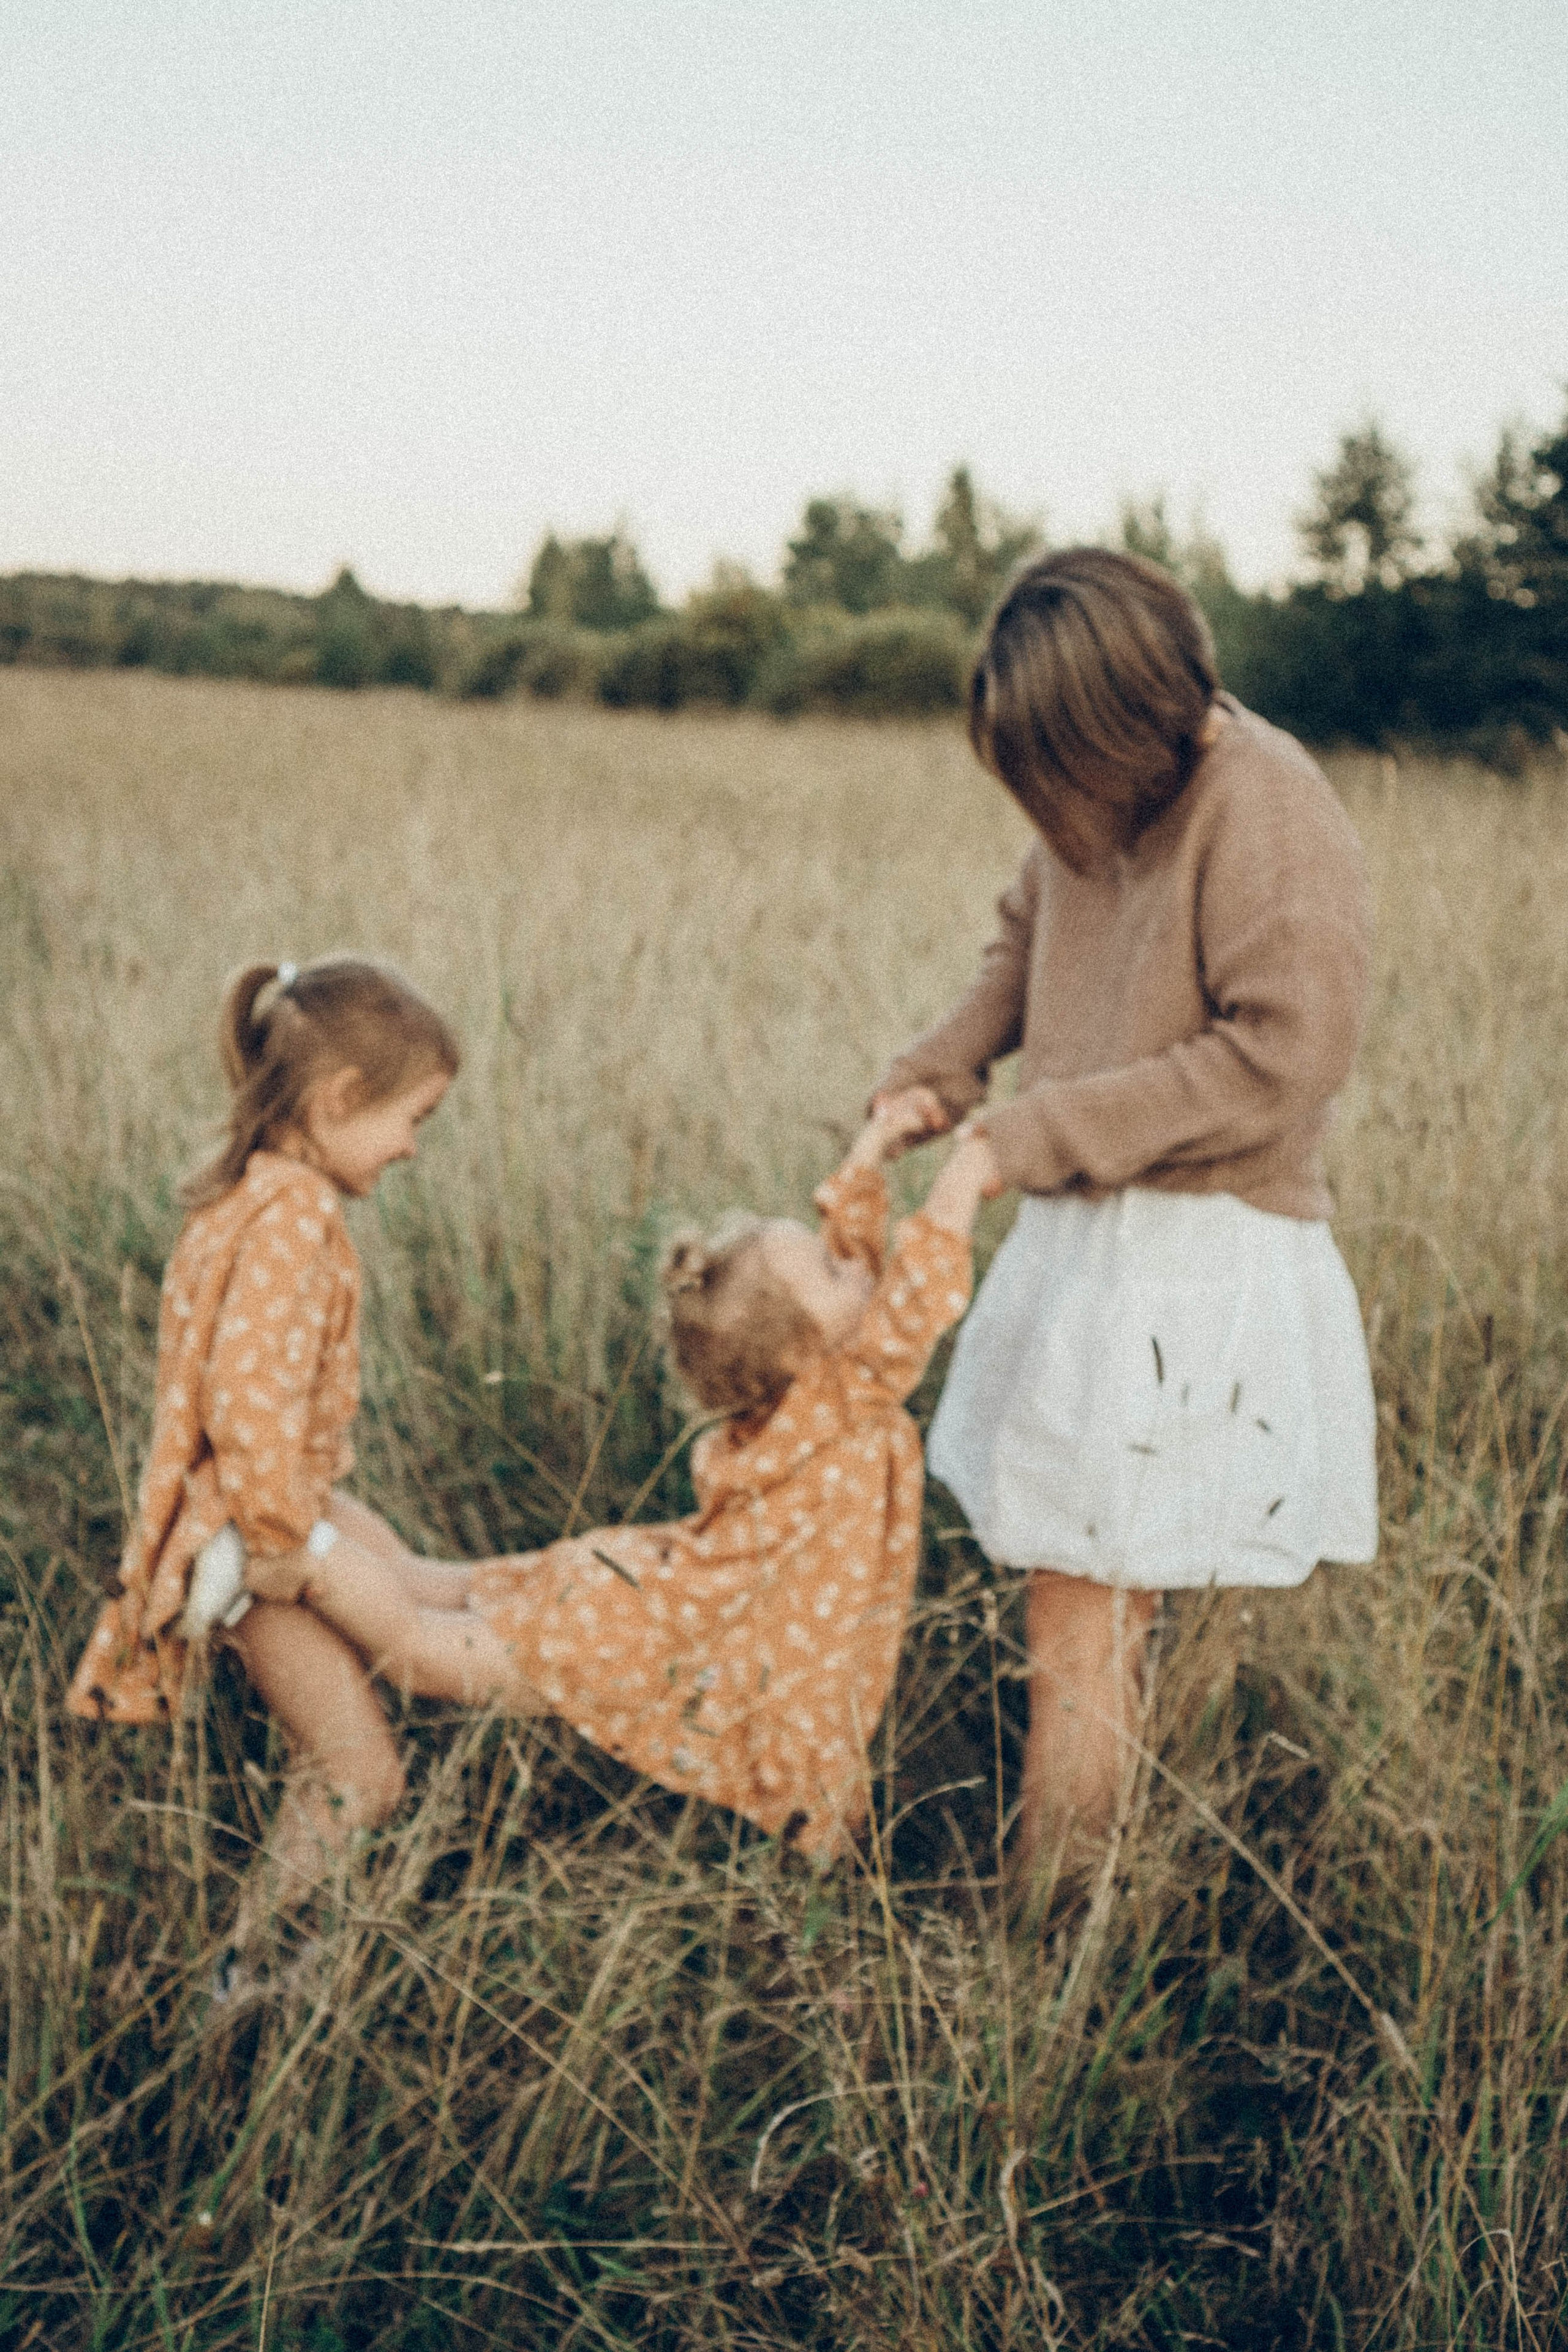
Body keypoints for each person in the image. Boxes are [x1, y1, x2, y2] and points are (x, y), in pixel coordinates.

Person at [873, 546, 1378, 1883]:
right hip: (1089, 1236)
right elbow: (1022, 948)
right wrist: (933, 1077)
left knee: (1077, 1610)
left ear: (1128, 726)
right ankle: (1086, 1897)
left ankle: (1052, 1939)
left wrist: (1024, 1137)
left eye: (1056, 774)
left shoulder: (1264, 809)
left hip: (1195, 1255)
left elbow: (1282, 1058)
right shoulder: (1091, 800)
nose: (1047, 809)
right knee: (1093, 1596)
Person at [245, 1101, 992, 1861]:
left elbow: (858, 1268)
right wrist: (965, 1174)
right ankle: (300, 1556)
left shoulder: (816, 1389)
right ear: (803, 1353)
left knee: (424, 1580)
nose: (860, 1263)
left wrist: (873, 1151)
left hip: (652, 1586)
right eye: (831, 1269)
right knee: (419, 1648)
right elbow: (913, 1301)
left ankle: (313, 1511)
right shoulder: (843, 1392)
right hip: (668, 1626)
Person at [67, 954, 465, 1934]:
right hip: (249, 1542)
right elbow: (248, 1404)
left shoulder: (255, 1195)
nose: (413, 1149)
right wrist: (288, 1541)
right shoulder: (294, 1218)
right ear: (337, 1101)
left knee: (368, 1718)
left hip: (258, 1518)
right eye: (412, 1120)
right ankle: (251, 1983)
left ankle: (270, 1969)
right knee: (359, 1778)